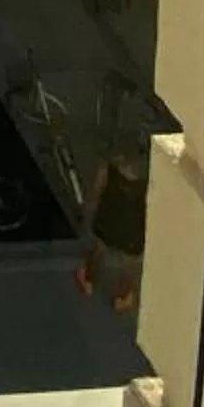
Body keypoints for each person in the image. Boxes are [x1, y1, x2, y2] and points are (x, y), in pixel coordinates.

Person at [76, 128, 149, 311]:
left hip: (110, 214)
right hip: (132, 222)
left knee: (101, 248)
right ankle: (122, 295)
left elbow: (98, 188)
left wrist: (90, 205)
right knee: (129, 261)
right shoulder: (148, 180)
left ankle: (89, 276)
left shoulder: (112, 166)